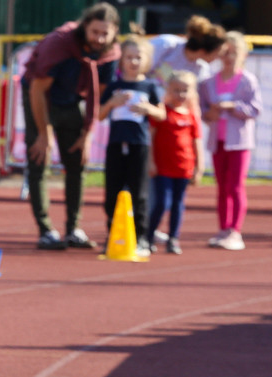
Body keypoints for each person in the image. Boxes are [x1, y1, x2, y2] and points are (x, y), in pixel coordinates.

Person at [21, 2, 121, 250]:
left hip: (74, 100)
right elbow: (37, 88)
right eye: (95, 31)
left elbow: (96, 96)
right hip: (41, 97)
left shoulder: (111, 54)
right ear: (85, 26)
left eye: (105, 33)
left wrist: (87, 134)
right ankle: (45, 230)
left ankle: (73, 228)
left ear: (114, 32)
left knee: (78, 161)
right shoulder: (61, 44)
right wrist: (44, 133)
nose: (99, 38)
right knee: (39, 158)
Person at [98, 36, 164, 255]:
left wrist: (148, 109)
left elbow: (161, 113)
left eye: (138, 57)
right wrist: (111, 103)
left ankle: (142, 237)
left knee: (139, 192)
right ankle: (113, 234)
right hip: (116, 144)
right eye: (129, 57)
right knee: (113, 191)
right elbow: (99, 115)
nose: (133, 62)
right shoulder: (115, 87)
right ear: (121, 60)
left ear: (146, 60)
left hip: (139, 144)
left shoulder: (149, 86)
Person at [198, 31, 262, 251]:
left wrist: (233, 107)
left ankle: (235, 230)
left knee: (235, 186)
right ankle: (223, 228)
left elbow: (255, 108)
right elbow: (202, 108)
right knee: (222, 187)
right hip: (218, 141)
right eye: (225, 53)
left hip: (240, 142)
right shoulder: (208, 83)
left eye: (234, 53)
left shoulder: (247, 80)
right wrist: (209, 114)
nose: (229, 58)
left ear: (243, 55)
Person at [146, 71, 203, 255]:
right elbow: (151, 138)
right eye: (176, 90)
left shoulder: (191, 116)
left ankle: (173, 238)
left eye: (185, 90)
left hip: (184, 167)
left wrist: (199, 167)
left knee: (178, 204)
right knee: (162, 203)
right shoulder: (162, 112)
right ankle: (148, 236)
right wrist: (151, 162)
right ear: (168, 90)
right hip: (163, 167)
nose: (180, 95)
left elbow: (197, 142)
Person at [149, 15, 226, 93]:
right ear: (203, 51)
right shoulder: (166, 44)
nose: (219, 57)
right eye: (218, 52)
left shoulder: (201, 69)